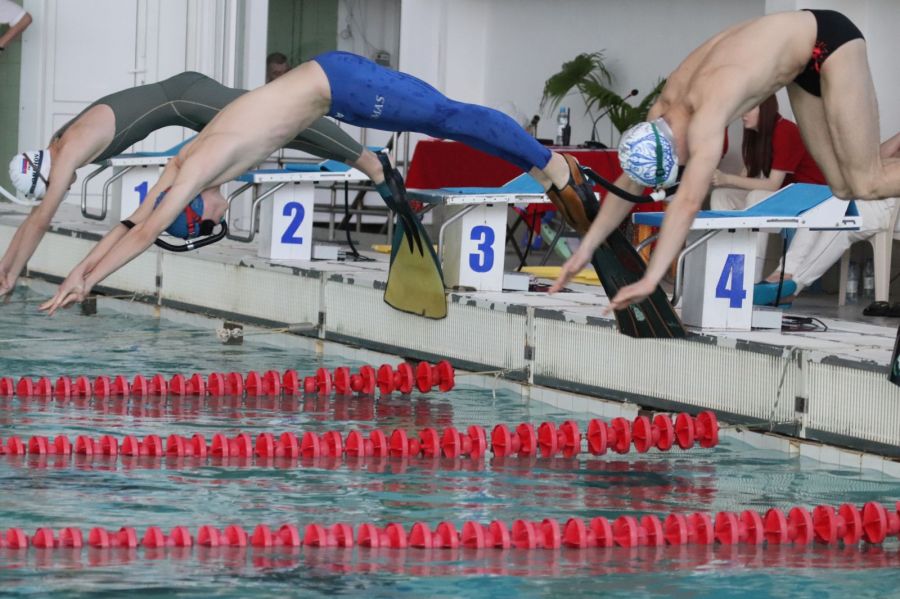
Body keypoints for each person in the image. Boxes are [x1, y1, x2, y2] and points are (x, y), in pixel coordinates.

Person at [39, 51, 597, 315]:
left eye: (215, 219)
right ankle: (545, 168)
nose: (223, 209)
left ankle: (554, 168)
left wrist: (88, 280)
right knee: (444, 118)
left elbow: (140, 233)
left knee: (447, 118)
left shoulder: (194, 173)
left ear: (194, 208)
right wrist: (79, 273)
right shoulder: (182, 165)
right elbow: (132, 223)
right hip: (335, 82)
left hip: (343, 84)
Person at [550, 10, 900, 311]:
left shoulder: (707, 117)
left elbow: (687, 202)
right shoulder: (662, 112)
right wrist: (587, 249)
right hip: (798, 60)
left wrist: (651, 279)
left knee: (865, 183)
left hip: (830, 41)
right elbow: (629, 182)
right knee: (840, 186)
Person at [1, 71, 389, 297]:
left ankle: (368, 160)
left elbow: (39, 221)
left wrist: (13, 274)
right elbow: (36, 215)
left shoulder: (68, 151)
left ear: (47, 173)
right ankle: (362, 155)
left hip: (186, 98)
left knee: (282, 116)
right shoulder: (58, 145)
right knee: (276, 130)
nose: (64, 189)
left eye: (59, 187)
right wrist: (5, 271)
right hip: (184, 106)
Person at [754, 135, 900, 306]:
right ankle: (785, 273)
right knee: (821, 208)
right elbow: (871, 165)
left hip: (891, 208)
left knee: (842, 224)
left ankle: (793, 287)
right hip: (872, 199)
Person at [710, 94, 826, 281]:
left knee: (757, 197)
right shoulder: (754, 136)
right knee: (721, 196)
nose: (743, 114)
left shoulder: (785, 130)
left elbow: (772, 185)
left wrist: (727, 178)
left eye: (750, 108)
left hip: (810, 194)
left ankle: (751, 274)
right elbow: (745, 176)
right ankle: (728, 258)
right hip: (787, 194)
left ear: (765, 109)